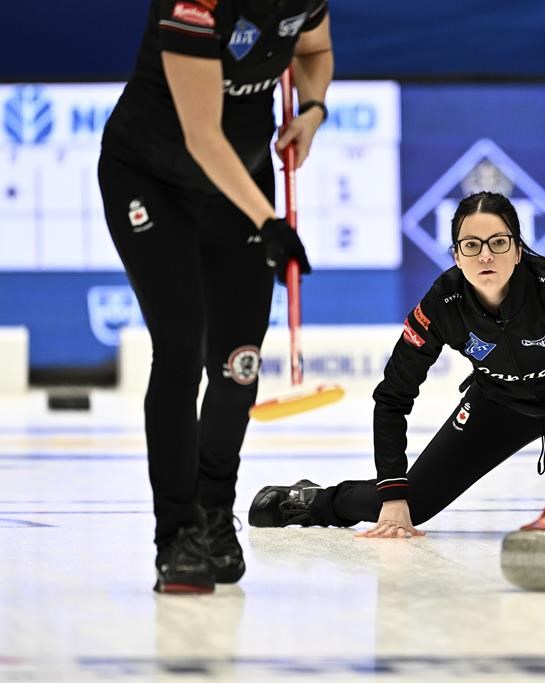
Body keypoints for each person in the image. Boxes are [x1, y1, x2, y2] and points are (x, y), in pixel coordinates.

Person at [249, 192, 545, 539]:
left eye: (497, 243)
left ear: (517, 248)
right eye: (471, 246)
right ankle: (312, 501)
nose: (485, 256)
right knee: (409, 507)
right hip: (499, 405)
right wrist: (393, 492)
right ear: (456, 255)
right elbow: (392, 397)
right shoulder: (443, 304)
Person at [97, 0, 333, 593]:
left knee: (238, 365)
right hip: (151, 176)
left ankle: (211, 512)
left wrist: (312, 109)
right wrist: (271, 224)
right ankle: (177, 537)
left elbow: (315, 50)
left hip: (241, 177)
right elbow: (202, 135)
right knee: (180, 349)